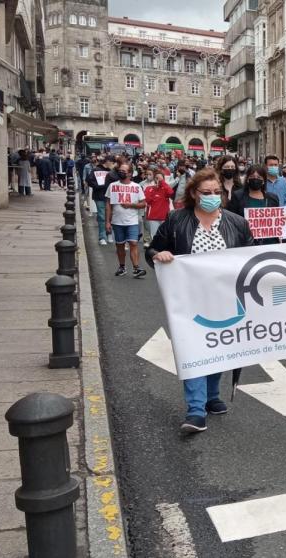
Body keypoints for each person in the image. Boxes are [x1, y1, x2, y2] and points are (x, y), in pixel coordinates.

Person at [146, 169, 255, 433]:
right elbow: (151, 248)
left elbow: (250, 258)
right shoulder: (176, 220)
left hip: (225, 299)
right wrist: (158, 255)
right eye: (206, 193)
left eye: (217, 193)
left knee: (217, 348)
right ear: (194, 193)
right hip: (188, 301)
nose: (212, 197)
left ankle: (211, 396)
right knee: (193, 350)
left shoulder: (236, 223)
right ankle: (195, 410)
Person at [104, 161, 148, 278]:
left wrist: (131, 205)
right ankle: (122, 267)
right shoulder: (112, 186)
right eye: (120, 171)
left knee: (133, 243)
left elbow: (143, 204)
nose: (121, 172)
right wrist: (107, 221)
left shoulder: (136, 187)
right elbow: (108, 204)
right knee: (120, 245)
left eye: (124, 171)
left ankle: (136, 268)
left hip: (132, 221)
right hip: (117, 221)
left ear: (130, 174)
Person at [228, 165, 283, 245]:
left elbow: (276, 221)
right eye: (252, 176)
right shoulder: (238, 196)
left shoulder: (273, 198)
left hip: (269, 243)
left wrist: (282, 221)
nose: (255, 179)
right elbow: (232, 220)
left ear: (264, 181)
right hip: (246, 243)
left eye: (259, 177)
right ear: (247, 179)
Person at [86, 156, 117, 245]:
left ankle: (109, 233)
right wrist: (99, 186)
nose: (113, 165)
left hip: (111, 196)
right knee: (102, 216)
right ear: (108, 161)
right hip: (100, 195)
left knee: (111, 216)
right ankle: (102, 236)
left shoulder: (113, 171)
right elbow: (89, 180)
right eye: (112, 163)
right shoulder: (96, 170)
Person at [142, 168, 174, 248]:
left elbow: (171, 193)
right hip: (153, 217)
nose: (158, 180)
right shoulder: (149, 188)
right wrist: (155, 190)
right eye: (156, 178)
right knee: (154, 236)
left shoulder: (165, 188)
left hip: (164, 217)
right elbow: (147, 200)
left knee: (164, 236)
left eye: (159, 178)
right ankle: (155, 252)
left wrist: (162, 182)